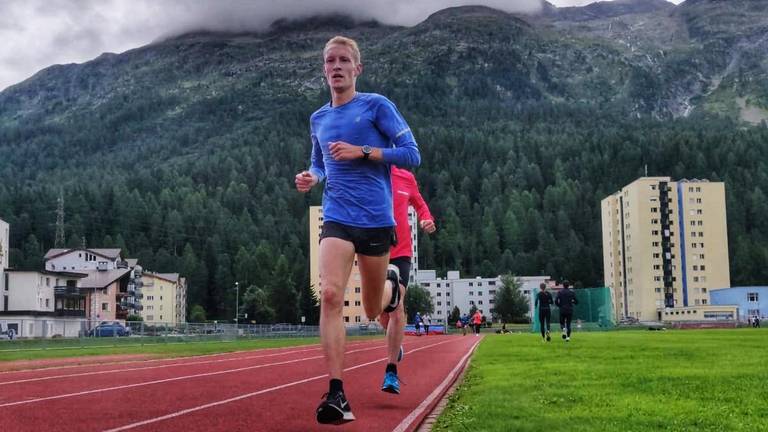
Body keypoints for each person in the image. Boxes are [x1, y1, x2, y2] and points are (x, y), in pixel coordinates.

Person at [295, 35, 420, 425]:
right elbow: (319, 162)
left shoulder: (376, 106)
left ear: (357, 68)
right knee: (330, 293)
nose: (336, 66)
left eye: (343, 60)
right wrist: (311, 177)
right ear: (324, 69)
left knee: (371, 309)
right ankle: (336, 393)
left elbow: (412, 155)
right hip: (337, 217)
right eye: (329, 61)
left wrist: (363, 152)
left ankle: (391, 292)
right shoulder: (318, 118)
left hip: (377, 221)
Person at [377, 165, 436, 393]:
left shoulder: (405, 177)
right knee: (379, 312)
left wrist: (426, 219)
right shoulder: (364, 173)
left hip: (401, 252)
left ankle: (391, 372)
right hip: (373, 253)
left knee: (397, 304)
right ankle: (393, 340)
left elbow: (420, 204)